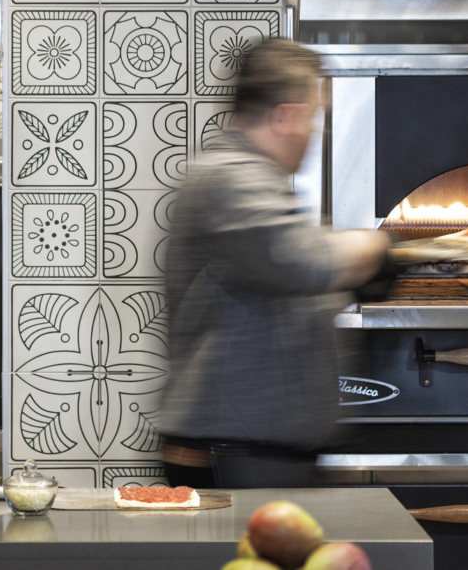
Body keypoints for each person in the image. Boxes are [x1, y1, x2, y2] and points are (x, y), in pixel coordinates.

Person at [158, 38, 394, 489]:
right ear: (284, 116)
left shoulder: (256, 181)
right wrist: (379, 246)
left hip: (256, 447)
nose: (315, 130)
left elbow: (287, 276)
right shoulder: (229, 176)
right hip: (233, 452)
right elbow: (303, 262)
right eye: (312, 116)